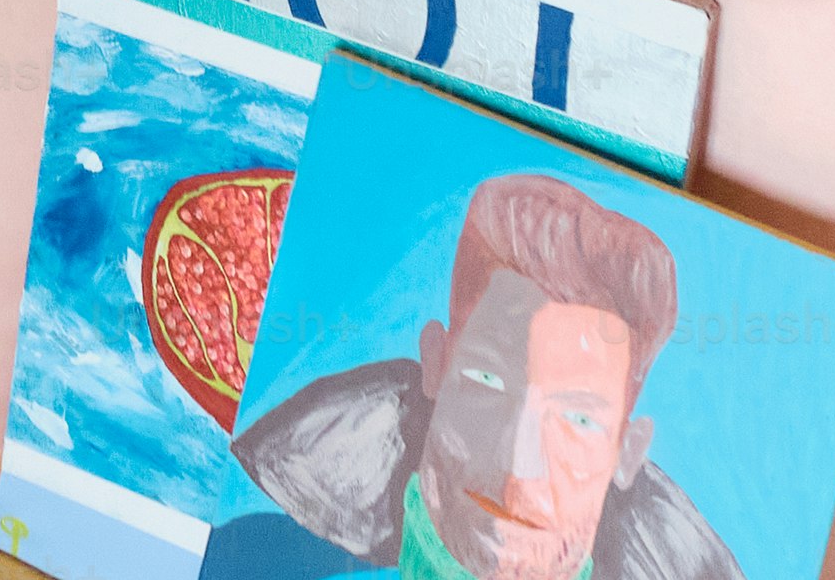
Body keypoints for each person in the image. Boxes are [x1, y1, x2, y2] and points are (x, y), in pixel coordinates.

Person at [215, 174, 736, 580]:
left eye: (578, 417)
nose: (519, 462)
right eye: (487, 381)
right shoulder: (253, 564)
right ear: (437, 366)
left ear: (626, 451)